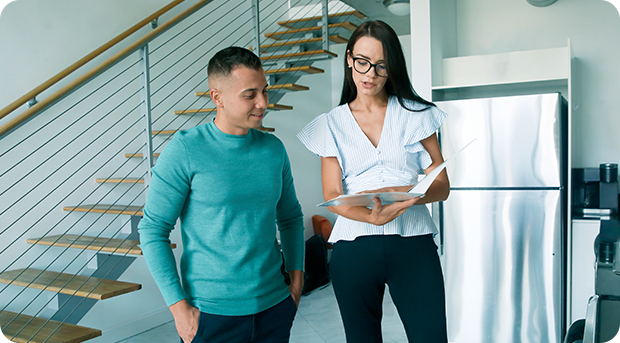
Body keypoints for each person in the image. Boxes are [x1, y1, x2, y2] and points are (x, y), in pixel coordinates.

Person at [138, 46, 305, 343]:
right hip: (211, 315)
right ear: (217, 97)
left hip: (275, 306)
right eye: (250, 95)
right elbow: (152, 229)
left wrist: (296, 281)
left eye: (264, 91)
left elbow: (290, 218)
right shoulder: (186, 149)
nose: (263, 103)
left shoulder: (273, 149)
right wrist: (179, 310)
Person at [297, 21, 449, 342]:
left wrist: (401, 195)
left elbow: (441, 185)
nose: (370, 75)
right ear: (350, 58)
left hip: (413, 244)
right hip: (354, 250)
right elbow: (333, 194)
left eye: (381, 66)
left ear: (392, 68)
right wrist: (370, 216)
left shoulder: (417, 115)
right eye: (363, 62)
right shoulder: (330, 124)